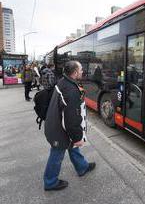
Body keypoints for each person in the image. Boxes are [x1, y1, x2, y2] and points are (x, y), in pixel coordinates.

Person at [43, 60, 95, 191]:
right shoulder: (70, 90)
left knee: (72, 147)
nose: (83, 71)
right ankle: (50, 182)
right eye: (81, 69)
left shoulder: (64, 81)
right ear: (75, 72)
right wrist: (78, 138)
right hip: (58, 130)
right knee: (57, 154)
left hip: (56, 124)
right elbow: (71, 120)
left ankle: (82, 167)